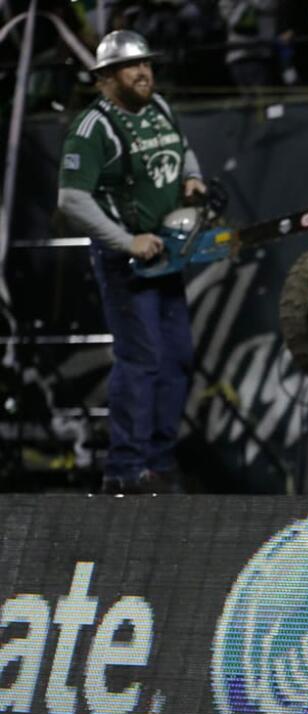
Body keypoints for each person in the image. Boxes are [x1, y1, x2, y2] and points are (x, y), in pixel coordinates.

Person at [58, 30, 207, 493]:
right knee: (140, 360)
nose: (144, 72)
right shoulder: (94, 126)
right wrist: (125, 241)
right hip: (126, 260)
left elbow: (183, 151)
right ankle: (125, 469)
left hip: (166, 251)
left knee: (177, 358)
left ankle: (159, 463)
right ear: (104, 77)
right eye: (131, 66)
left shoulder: (159, 107)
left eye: (147, 63)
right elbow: (71, 199)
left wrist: (194, 179)